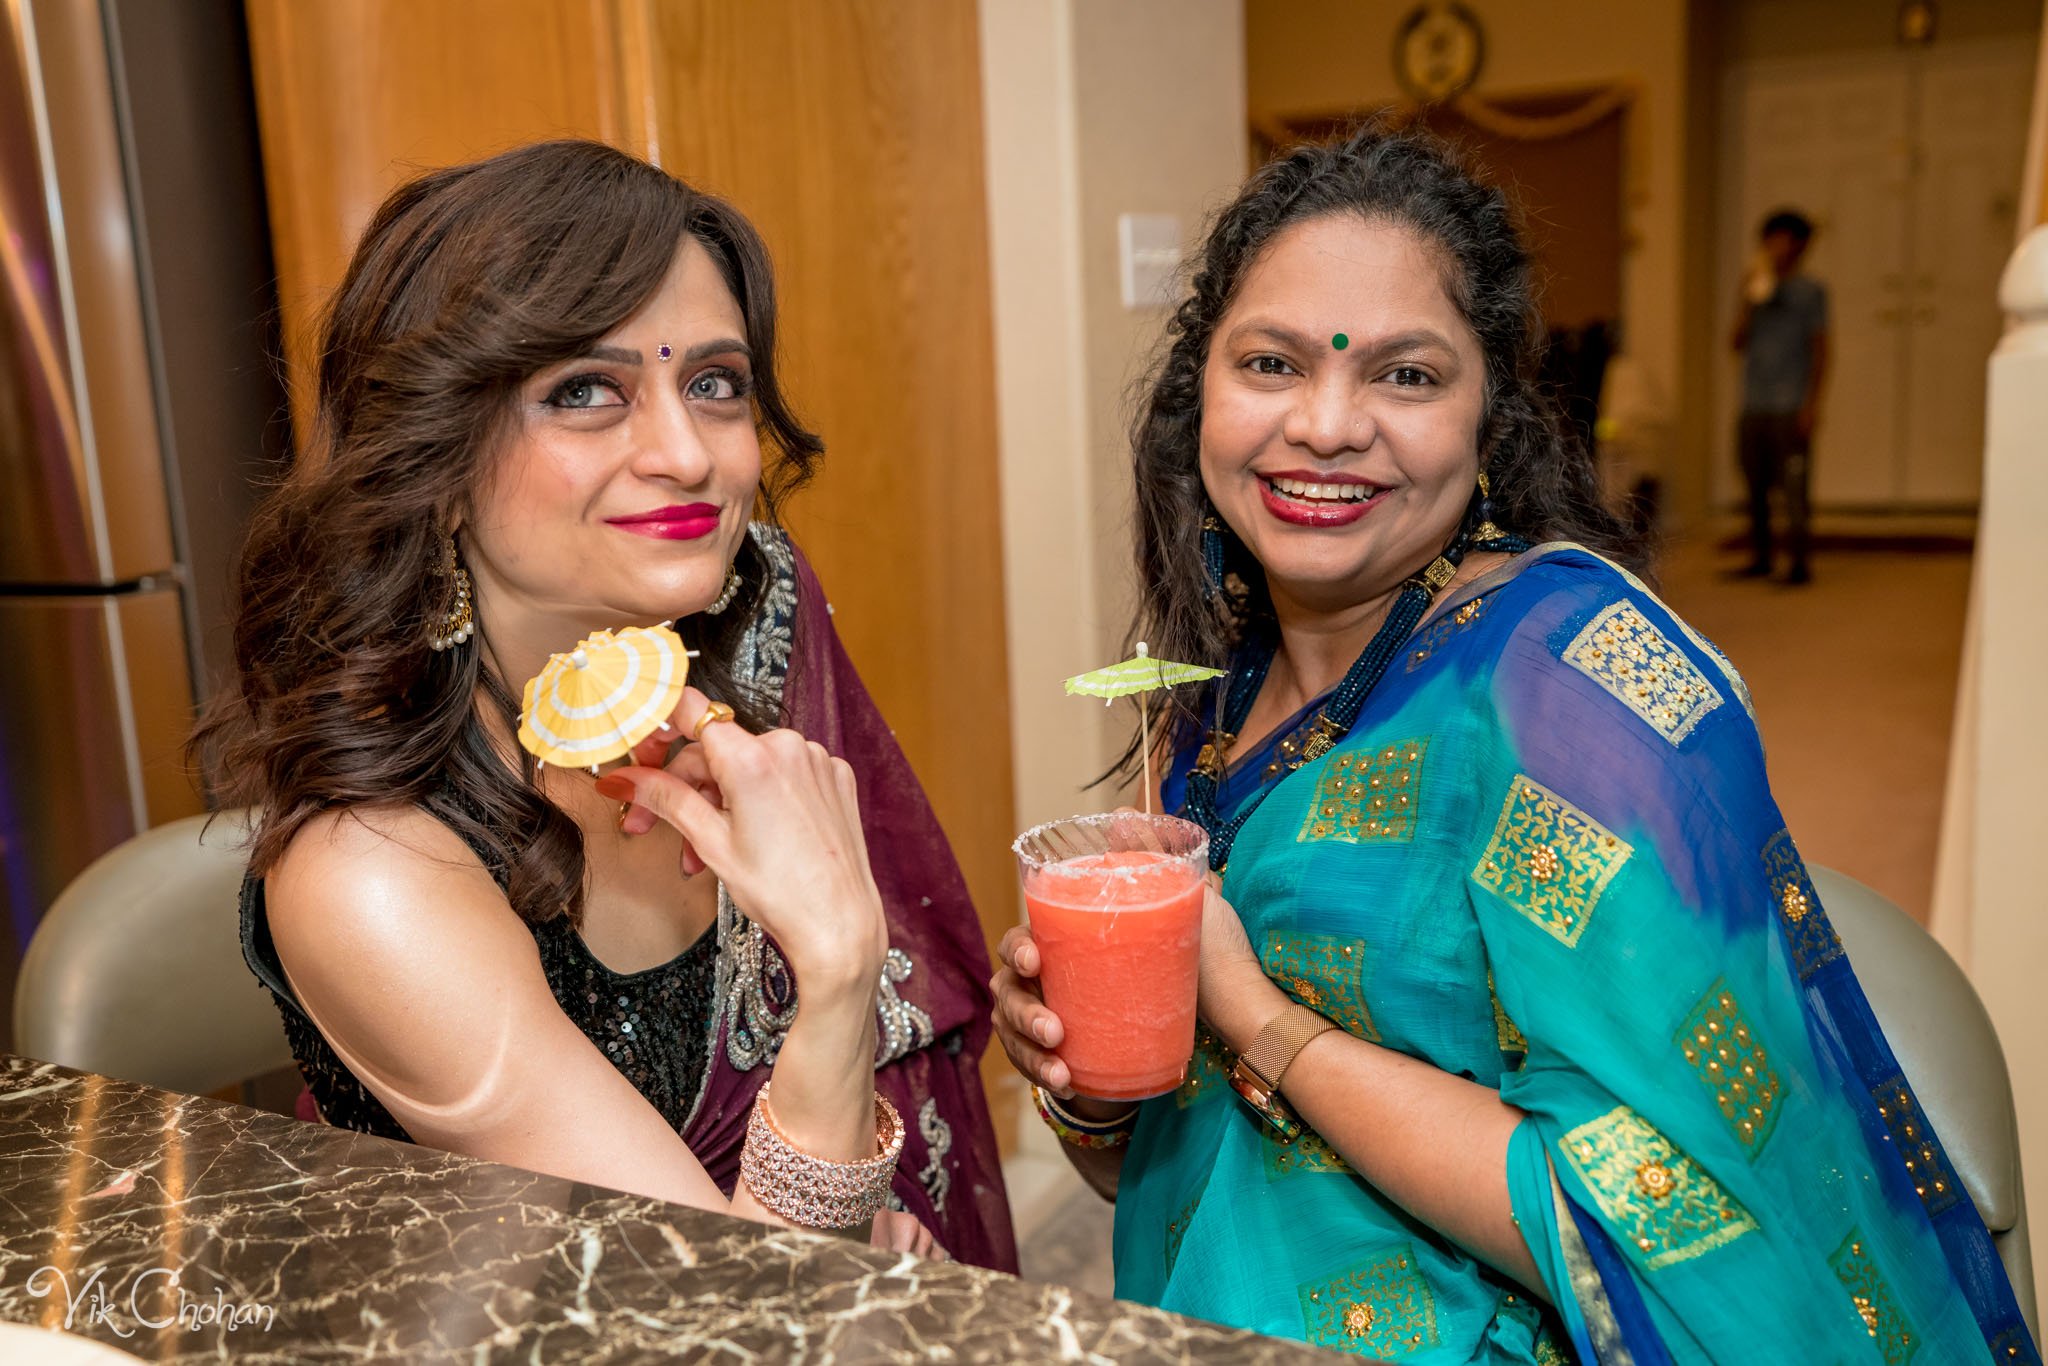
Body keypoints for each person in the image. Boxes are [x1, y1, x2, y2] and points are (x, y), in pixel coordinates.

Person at [991, 126, 2032, 1361]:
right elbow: (1170, 1170)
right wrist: (1082, 1081)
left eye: (1405, 375)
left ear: (1489, 423)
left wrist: (1252, 1012)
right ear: (1198, 394)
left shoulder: (1566, 685)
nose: (1324, 424)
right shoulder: (1211, 697)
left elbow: (1652, 1219)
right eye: (1270, 363)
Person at [194, 140, 1015, 1271]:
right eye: (584, 391)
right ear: (433, 457)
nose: (687, 455)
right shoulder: (375, 874)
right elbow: (731, 1308)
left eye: (714, 383)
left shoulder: (757, 615)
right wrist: (835, 965)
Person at [1732, 209, 1829, 585]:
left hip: (1791, 403)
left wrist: (1812, 404)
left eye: (1783, 239)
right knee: (1754, 484)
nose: (1775, 247)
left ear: (1800, 245)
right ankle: (1761, 557)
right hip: (1754, 402)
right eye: (1770, 239)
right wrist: (1747, 299)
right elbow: (1736, 343)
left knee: (1793, 487)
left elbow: (1821, 349)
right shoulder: (1755, 288)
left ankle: (1799, 563)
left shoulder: (1811, 292)